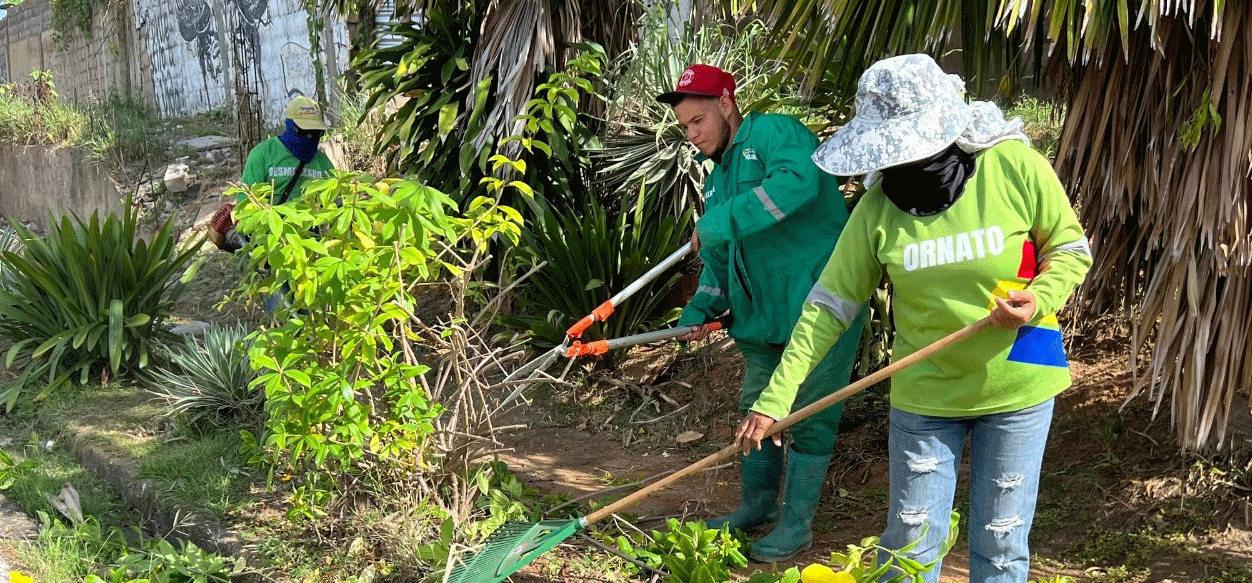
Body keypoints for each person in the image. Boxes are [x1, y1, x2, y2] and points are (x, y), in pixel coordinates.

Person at [733, 54, 1092, 582]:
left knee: (1001, 543)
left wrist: (1039, 298)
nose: (900, 161)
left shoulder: (1014, 166)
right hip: (926, 390)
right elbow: (829, 307)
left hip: (1022, 374)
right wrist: (776, 399)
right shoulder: (878, 206)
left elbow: (1070, 249)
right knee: (908, 549)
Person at [656, 64, 866, 563]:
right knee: (755, 411)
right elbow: (720, 260)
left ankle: (796, 526)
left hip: (818, 308)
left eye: (698, 121)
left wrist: (721, 221)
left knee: (811, 415)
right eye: (685, 126)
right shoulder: (716, 182)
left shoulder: (773, 133)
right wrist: (701, 306)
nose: (692, 134)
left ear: (726, 104)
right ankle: (757, 505)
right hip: (761, 320)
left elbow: (798, 184)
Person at [238, 95, 335, 312]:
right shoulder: (263, 154)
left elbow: (337, 203)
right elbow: (245, 205)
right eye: (303, 131)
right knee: (281, 309)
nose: (309, 138)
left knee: (309, 307)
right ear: (289, 126)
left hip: (309, 244)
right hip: (273, 241)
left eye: (315, 133)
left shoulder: (321, 162)